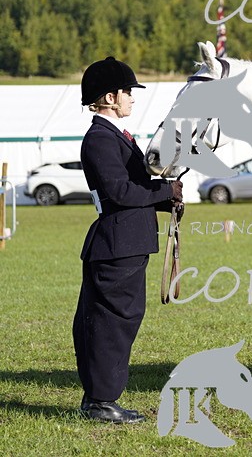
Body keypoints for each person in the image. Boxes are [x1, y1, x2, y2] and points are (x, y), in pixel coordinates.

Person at [73, 57, 183, 423]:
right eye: (127, 92)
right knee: (113, 322)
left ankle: (99, 397)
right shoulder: (100, 139)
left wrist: (166, 198)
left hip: (127, 242)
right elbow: (119, 192)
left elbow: (133, 188)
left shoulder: (116, 135)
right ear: (109, 97)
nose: (132, 98)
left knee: (119, 319)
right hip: (117, 245)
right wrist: (163, 190)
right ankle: (101, 401)